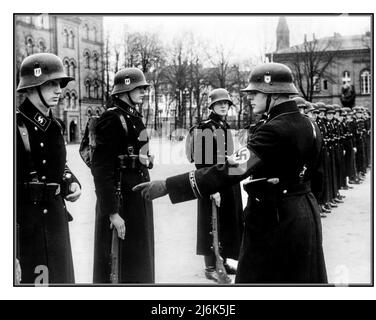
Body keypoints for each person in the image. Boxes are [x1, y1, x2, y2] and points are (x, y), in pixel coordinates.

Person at [134, 63, 328, 283]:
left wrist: (169, 185)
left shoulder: (275, 128)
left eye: (255, 92)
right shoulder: (310, 124)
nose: (250, 98)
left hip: (276, 220)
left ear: (272, 93)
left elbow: (233, 168)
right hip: (305, 215)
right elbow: (319, 177)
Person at [16, 53, 81, 284]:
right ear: (32, 88)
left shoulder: (54, 125)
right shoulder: (15, 126)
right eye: (51, 84)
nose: (58, 90)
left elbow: (60, 165)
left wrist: (72, 181)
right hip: (28, 228)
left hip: (55, 220)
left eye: (59, 84)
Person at [91, 67, 155, 283]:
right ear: (124, 90)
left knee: (139, 261)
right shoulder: (111, 118)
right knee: (120, 267)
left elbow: (142, 150)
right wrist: (112, 212)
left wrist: (145, 158)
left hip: (137, 198)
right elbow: (101, 169)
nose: (143, 91)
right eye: (138, 87)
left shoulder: (134, 116)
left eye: (144, 87)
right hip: (121, 200)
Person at [191, 88, 243, 282]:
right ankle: (211, 266)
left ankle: (224, 259)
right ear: (211, 105)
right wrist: (212, 188)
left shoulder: (224, 125)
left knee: (226, 221)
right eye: (219, 103)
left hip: (227, 180)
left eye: (226, 103)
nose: (224, 106)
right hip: (212, 182)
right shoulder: (206, 127)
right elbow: (201, 162)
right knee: (210, 223)